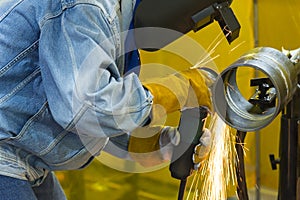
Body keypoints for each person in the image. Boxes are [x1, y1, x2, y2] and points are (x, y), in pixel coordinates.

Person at [0, 0, 212, 199]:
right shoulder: (86, 6)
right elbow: (87, 108)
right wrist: (178, 90)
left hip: (25, 158)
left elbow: (101, 120)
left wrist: (164, 144)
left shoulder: (114, 17)